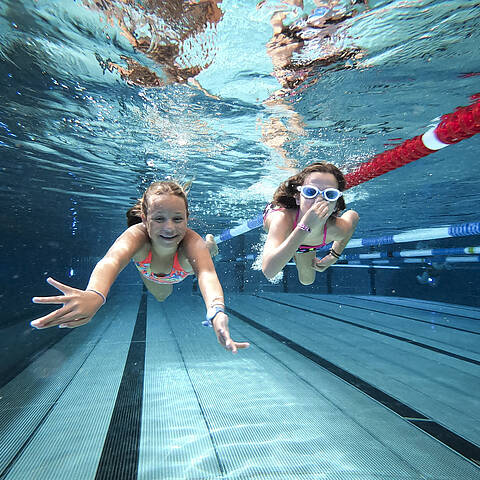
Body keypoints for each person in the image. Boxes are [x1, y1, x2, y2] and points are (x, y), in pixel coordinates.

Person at [31, 181, 249, 354]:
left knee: (201, 254)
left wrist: (216, 310)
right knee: (162, 296)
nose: (169, 227)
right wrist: (95, 294)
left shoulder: (190, 241)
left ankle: (209, 247)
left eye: (177, 219)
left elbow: (207, 274)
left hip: (183, 268)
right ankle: (203, 250)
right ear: (144, 219)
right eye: (159, 219)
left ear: (187, 218)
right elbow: (111, 261)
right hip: (151, 274)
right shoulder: (137, 235)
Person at [262, 162, 359, 284]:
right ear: (298, 198)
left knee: (307, 281)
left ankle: (294, 252)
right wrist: (305, 226)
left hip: (306, 245)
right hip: (286, 227)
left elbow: (353, 216)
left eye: (329, 194)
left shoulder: (335, 229)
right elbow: (269, 271)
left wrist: (334, 255)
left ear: (336, 204)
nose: (318, 200)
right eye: (310, 192)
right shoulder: (281, 219)